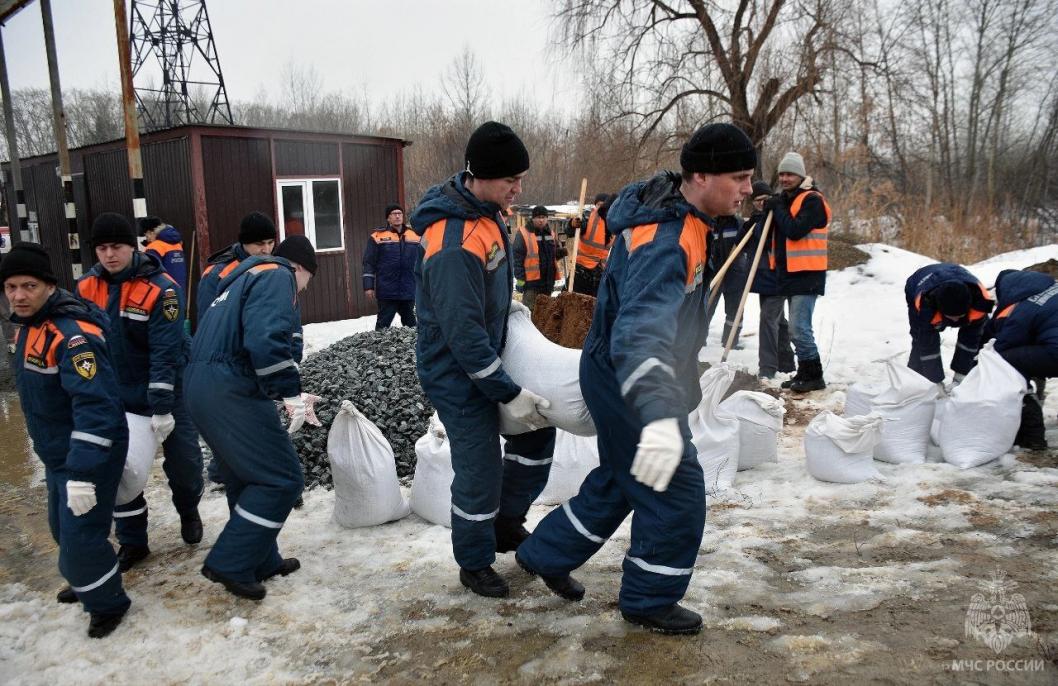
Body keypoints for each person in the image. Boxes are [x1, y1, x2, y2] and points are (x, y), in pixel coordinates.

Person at [516, 123, 756, 635]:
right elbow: (639, 338)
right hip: (631, 378)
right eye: (739, 177)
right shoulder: (666, 240)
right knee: (676, 487)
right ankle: (649, 600)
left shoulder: (685, 217)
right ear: (700, 176)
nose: (748, 189)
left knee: (626, 477)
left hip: (628, 373)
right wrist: (661, 419)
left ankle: (546, 553)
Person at [412, 121, 558, 599]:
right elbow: (463, 334)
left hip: (489, 354)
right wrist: (507, 392)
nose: (519, 189)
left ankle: (505, 523)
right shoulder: (452, 242)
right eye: (511, 180)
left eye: (521, 179)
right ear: (481, 176)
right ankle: (474, 562)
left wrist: (512, 313)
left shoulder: (488, 213)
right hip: (456, 370)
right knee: (480, 467)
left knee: (537, 437)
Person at [3, 242, 131, 637]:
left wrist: (82, 473)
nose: (18, 296)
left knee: (80, 538)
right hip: (60, 454)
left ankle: (108, 603)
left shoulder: (73, 336)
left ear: (48, 286)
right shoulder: (31, 325)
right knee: (63, 530)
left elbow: (97, 408)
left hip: (89, 453)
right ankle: (87, 579)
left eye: (29, 286)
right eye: (10, 287)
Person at [185, 235, 318, 600]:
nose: (303, 289)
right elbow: (266, 338)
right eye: (307, 280)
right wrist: (289, 392)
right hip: (229, 388)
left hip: (201, 385)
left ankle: (261, 559)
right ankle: (230, 561)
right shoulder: (278, 275)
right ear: (299, 268)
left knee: (245, 477)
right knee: (283, 479)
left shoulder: (240, 280)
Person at [77, 213, 203, 571]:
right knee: (121, 471)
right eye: (102, 248)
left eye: (116, 247)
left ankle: (188, 509)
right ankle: (133, 541)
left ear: (133, 247)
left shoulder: (162, 289)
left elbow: (165, 352)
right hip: (119, 394)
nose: (109, 255)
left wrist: (161, 407)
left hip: (168, 390)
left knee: (185, 463)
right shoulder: (86, 288)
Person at [767, 152, 831, 392]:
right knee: (797, 329)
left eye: (790, 174)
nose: (784, 178)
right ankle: (805, 372)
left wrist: (777, 207)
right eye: (782, 174)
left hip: (807, 274)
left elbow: (795, 230)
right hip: (790, 274)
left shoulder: (812, 200)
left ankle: (814, 375)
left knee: (799, 328)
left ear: (801, 176)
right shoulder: (785, 200)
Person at [984, 269, 1058, 450]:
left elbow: (1003, 345)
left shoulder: (1020, 308)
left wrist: (981, 363)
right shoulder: (1052, 289)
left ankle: (1032, 437)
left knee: (1004, 362)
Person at [904, 263, 994, 387]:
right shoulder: (926, 305)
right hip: (919, 281)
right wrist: (935, 380)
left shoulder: (980, 302)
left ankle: (974, 377)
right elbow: (927, 344)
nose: (956, 320)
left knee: (981, 336)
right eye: (951, 317)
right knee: (920, 339)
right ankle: (917, 379)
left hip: (957, 276)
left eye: (960, 315)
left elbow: (970, 340)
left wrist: (961, 375)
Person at [747, 181, 796, 378]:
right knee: (778, 320)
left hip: (780, 277)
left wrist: (771, 215)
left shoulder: (780, 216)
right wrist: (754, 222)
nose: (761, 203)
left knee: (768, 319)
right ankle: (786, 362)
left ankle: (767, 368)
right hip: (764, 280)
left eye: (765, 199)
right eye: (757, 200)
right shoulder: (757, 219)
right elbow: (743, 241)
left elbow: (771, 240)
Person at [196, 211, 277, 316]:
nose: (266, 250)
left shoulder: (275, 265)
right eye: (259, 244)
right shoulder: (216, 274)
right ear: (244, 242)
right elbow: (208, 319)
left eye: (270, 242)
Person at [362, 203, 419, 329]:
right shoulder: (377, 237)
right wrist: (368, 286)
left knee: (412, 326)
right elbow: (369, 262)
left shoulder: (415, 235)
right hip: (387, 291)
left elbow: (423, 260)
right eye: (394, 214)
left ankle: (414, 343)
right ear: (388, 218)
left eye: (400, 213)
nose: (397, 216)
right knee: (382, 326)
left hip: (408, 289)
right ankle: (379, 342)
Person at [704, 214, 749, 348]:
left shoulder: (739, 224)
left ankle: (730, 342)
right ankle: (698, 338)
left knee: (735, 310)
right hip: (713, 273)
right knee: (706, 307)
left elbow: (747, 245)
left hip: (735, 274)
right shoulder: (710, 222)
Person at [513, 205, 566, 311]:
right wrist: (520, 282)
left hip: (548, 282)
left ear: (547, 218)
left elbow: (552, 256)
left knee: (544, 313)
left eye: (543, 217)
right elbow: (517, 260)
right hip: (531, 284)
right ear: (533, 218)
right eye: (538, 217)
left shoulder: (551, 234)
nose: (541, 220)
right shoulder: (523, 233)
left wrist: (560, 253)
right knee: (529, 312)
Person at [569, 193, 612, 297]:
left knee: (594, 302)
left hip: (600, 271)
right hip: (581, 269)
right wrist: (572, 224)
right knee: (575, 300)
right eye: (599, 205)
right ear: (595, 205)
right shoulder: (588, 218)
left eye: (604, 205)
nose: (601, 208)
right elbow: (573, 229)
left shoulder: (612, 222)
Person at [140, 217, 188, 294]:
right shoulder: (177, 244)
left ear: (151, 232)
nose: (147, 239)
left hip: (163, 292)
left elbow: (150, 272)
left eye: (146, 235)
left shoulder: (154, 247)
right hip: (180, 289)